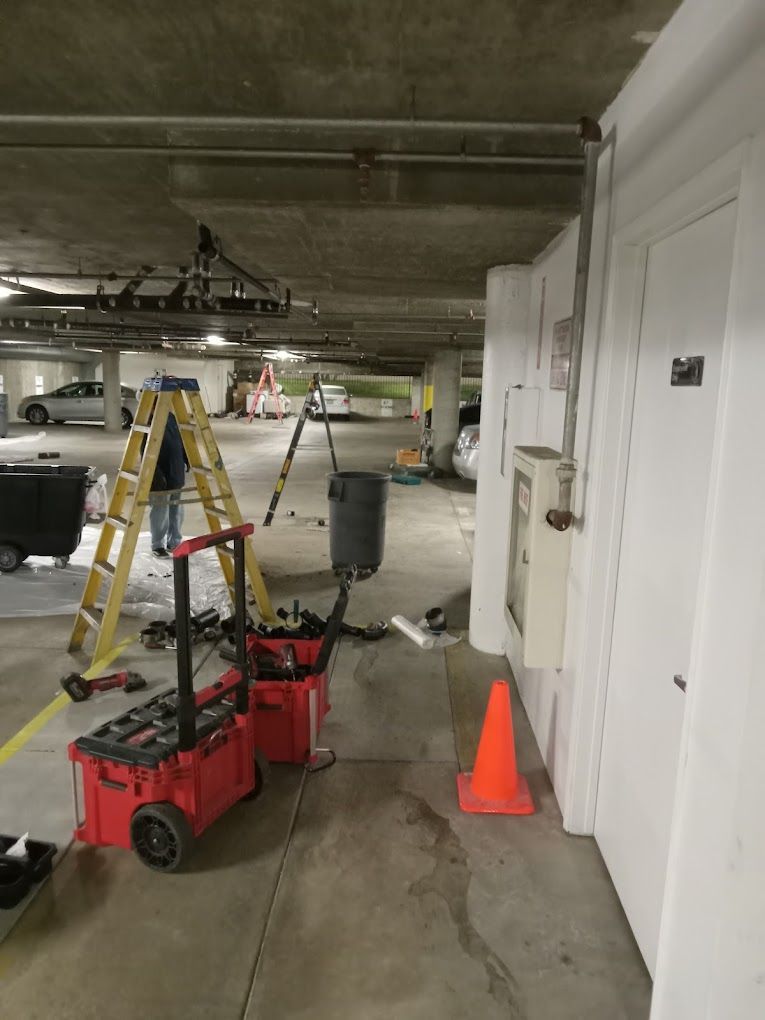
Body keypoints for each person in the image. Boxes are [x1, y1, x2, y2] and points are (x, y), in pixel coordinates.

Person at [149, 413, 189, 557]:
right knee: (160, 511)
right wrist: (155, 474)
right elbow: (145, 450)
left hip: (175, 470)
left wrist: (186, 459)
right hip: (160, 473)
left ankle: (175, 542)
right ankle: (157, 544)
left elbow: (180, 440)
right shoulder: (148, 417)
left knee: (176, 510)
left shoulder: (171, 416)